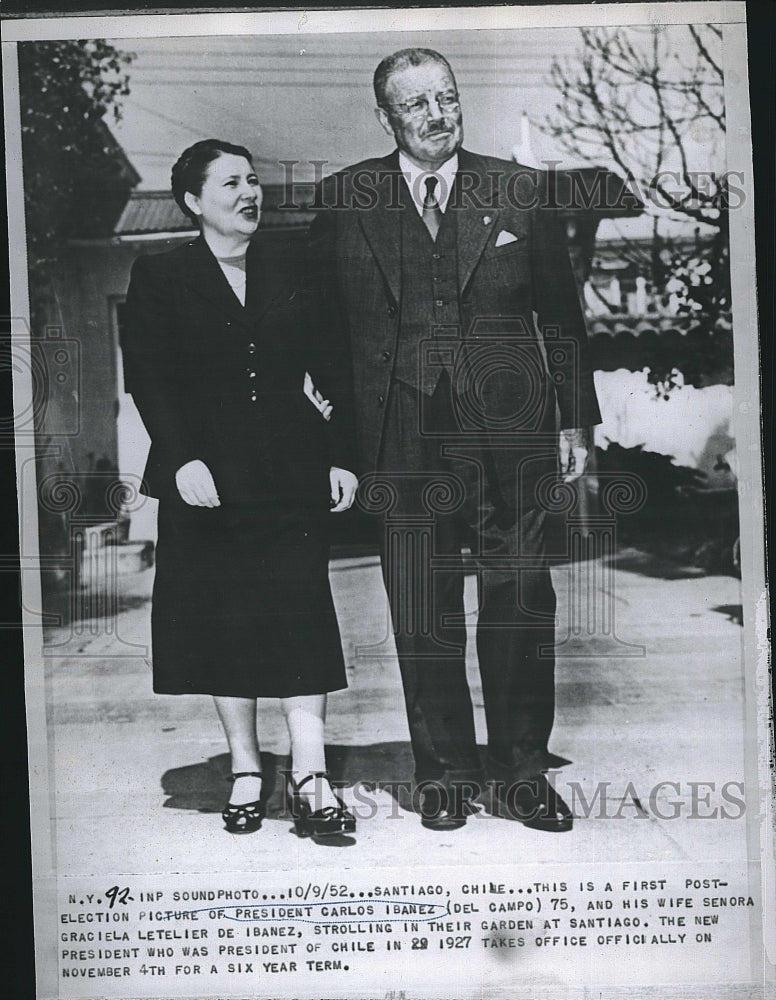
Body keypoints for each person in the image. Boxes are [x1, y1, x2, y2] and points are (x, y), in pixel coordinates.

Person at [308, 49, 602, 832]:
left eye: (448, 98)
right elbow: (322, 329)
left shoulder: (517, 189)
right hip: (396, 430)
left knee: (518, 600)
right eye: (418, 105)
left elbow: (562, 319)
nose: (439, 114)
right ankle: (442, 774)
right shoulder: (345, 199)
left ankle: (522, 773)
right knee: (420, 607)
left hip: (513, 433)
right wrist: (337, 436)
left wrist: (576, 418)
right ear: (386, 118)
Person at [123, 139, 358, 839]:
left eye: (254, 180)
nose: (250, 193)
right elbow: (150, 377)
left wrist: (340, 456)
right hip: (205, 481)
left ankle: (312, 774)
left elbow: (335, 364)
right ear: (194, 201)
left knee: (301, 611)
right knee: (225, 622)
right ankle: (248, 768)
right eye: (231, 183)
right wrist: (183, 458)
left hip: (291, 473)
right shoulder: (160, 276)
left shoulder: (296, 266)